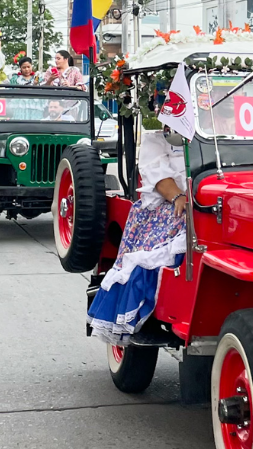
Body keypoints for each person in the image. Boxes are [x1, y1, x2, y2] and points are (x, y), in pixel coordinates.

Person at [86, 128, 187, 345]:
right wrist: (179, 196)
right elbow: (160, 177)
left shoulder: (216, 137)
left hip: (205, 202)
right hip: (167, 207)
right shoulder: (157, 140)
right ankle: (147, 315)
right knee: (161, 251)